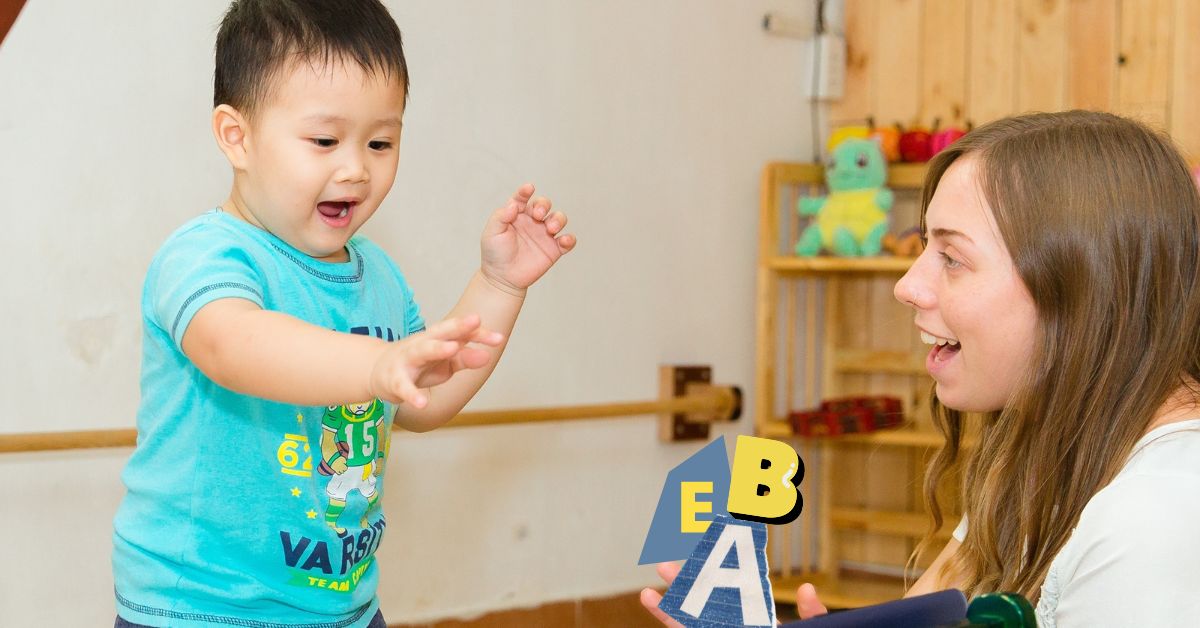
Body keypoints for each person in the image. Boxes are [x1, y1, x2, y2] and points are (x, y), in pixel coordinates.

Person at [111, 1, 575, 626]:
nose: (356, 168)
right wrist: (377, 365)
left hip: (344, 605)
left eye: (380, 142)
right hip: (200, 607)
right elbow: (232, 344)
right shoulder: (206, 254)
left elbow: (425, 398)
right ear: (237, 137)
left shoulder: (376, 275)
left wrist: (499, 285)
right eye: (325, 141)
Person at [642, 110, 1200, 627]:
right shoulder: (1043, 459)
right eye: (925, 245)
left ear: (1082, 290)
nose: (906, 286)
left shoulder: (1155, 518)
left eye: (952, 258)